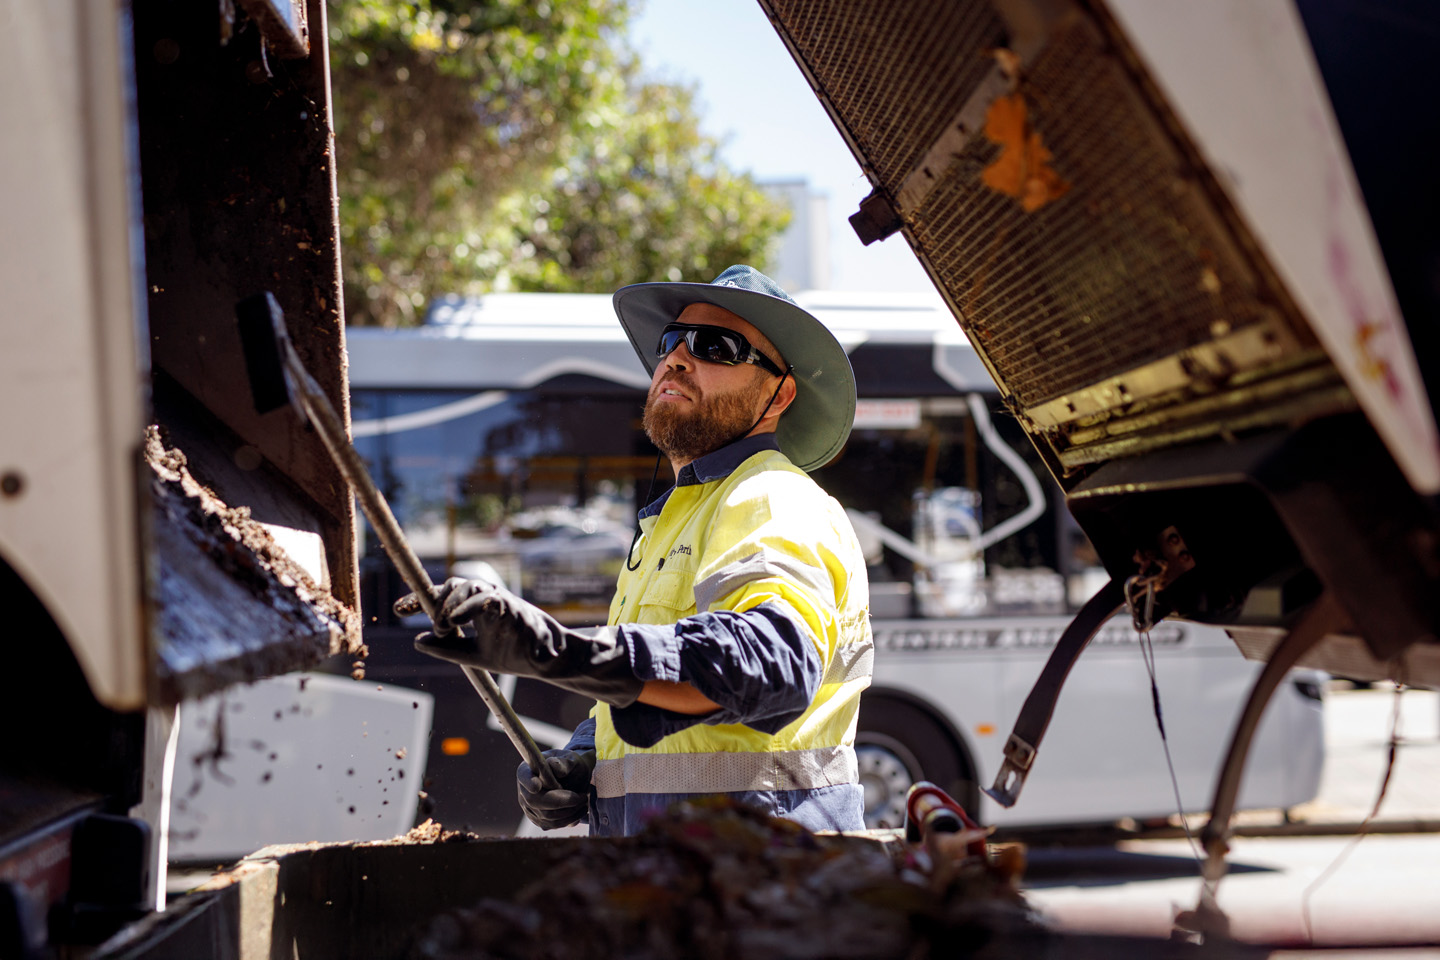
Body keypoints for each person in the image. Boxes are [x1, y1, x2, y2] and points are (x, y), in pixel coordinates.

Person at [406, 265, 873, 836]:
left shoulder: (771, 496)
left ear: (779, 394)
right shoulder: (672, 522)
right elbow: (663, 691)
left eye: (715, 347)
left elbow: (770, 662)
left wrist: (563, 652)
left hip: (758, 891)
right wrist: (585, 760)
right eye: (670, 342)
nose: (676, 359)